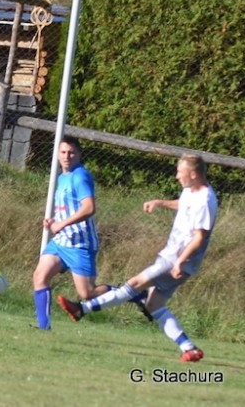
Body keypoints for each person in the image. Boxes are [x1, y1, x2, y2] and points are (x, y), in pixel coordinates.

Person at [57, 154, 218, 363]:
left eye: (180, 172)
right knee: (154, 305)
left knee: (134, 283)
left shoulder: (206, 200)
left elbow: (199, 237)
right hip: (172, 255)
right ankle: (189, 348)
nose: (177, 176)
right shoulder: (191, 191)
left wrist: (180, 261)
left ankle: (82, 309)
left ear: (194, 174)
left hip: (178, 259)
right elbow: (184, 204)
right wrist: (160, 202)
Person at [32, 136, 119, 330]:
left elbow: (89, 208)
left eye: (71, 153)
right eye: (63, 152)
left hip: (80, 242)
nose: (66, 156)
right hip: (61, 241)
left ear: (79, 154)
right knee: (40, 276)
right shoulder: (62, 177)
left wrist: (62, 224)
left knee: (87, 293)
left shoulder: (80, 176)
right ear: (57, 154)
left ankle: (129, 292)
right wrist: (53, 221)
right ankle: (43, 327)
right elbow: (67, 208)